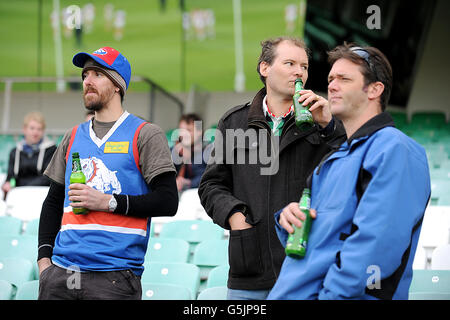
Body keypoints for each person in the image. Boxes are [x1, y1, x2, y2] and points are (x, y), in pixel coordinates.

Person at [268, 43, 431, 300]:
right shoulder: (337, 156)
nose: (332, 85)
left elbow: (376, 247)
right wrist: (287, 220)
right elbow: (321, 239)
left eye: (344, 79)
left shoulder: (395, 149)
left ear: (375, 89)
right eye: (331, 78)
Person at [198, 36, 346, 300]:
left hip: (305, 268)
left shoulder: (322, 120)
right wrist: (235, 217)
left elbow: (347, 175)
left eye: (304, 66)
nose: (299, 71)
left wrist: (330, 127)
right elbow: (211, 185)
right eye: (289, 63)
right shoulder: (234, 121)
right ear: (265, 68)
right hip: (249, 270)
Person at [37, 46, 178, 300]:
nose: (87, 81)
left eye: (97, 74)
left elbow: (168, 201)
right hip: (60, 273)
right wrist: (44, 262)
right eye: (85, 75)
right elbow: (53, 202)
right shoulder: (72, 136)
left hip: (114, 276)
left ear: (117, 85)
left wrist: (107, 202)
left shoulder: (146, 134)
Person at [1, 112, 56, 199]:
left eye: (39, 129)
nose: (35, 132)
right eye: (32, 128)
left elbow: (48, 178)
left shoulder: (51, 150)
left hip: (41, 195)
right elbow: (10, 177)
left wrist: (23, 186)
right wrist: (7, 184)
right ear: (24, 129)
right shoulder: (15, 152)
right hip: (19, 195)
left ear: (43, 131)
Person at [172, 113, 209, 192]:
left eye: (188, 130)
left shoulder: (207, 152)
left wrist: (189, 183)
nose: (183, 134)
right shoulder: (174, 150)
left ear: (199, 132)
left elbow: (208, 178)